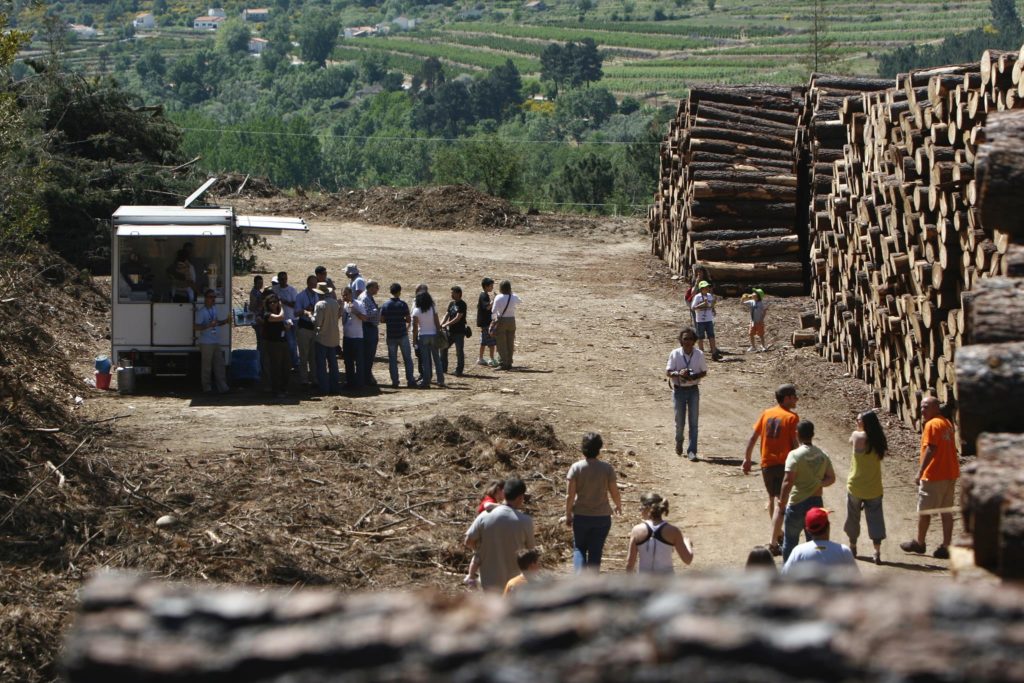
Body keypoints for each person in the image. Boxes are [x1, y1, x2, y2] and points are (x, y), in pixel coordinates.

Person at [744, 384, 801, 554]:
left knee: (772, 499)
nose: (796, 399)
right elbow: (795, 442)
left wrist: (747, 458)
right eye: (794, 396)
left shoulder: (766, 413)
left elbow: (754, 437)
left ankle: (778, 533)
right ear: (786, 398)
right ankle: (774, 541)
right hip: (785, 464)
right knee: (780, 502)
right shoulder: (792, 417)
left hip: (766, 463)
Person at [900, 396, 959, 560]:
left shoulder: (932, 425)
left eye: (926, 407)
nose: (922, 410)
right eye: (921, 407)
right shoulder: (946, 422)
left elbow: (931, 449)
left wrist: (920, 472)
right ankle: (946, 546)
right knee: (946, 512)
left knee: (925, 512)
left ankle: (919, 543)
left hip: (934, 475)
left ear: (936, 408)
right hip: (950, 473)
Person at [775, 420, 837, 562]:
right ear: (813, 434)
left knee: (790, 542)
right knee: (816, 543)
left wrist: (782, 501)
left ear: (797, 434)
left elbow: (787, 480)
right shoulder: (822, 455)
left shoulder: (794, 455)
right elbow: (831, 478)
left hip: (796, 503)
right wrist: (818, 483)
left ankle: (788, 573)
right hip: (816, 503)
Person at [464, 477, 536, 592]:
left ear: (504, 493)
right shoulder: (525, 521)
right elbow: (531, 552)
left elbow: (468, 541)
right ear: (520, 497)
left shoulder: (484, 516)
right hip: (514, 584)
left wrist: (480, 551)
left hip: (489, 583)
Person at [565, 432, 622, 573]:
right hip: (602, 518)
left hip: (581, 516)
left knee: (579, 548)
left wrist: (568, 514)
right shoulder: (607, 469)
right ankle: (592, 583)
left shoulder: (576, 468)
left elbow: (569, 495)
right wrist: (618, 505)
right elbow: (614, 491)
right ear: (599, 449)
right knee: (596, 552)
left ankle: (579, 580)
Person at [845, 410, 887, 564]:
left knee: (853, 517)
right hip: (874, 487)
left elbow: (851, 439)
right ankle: (876, 551)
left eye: (859, 419)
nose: (856, 421)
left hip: (855, 485)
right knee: (876, 519)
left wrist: (858, 430)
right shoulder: (879, 440)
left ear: (865, 423)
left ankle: (853, 545)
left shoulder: (857, 436)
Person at [665, 328, 707, 461]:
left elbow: (704, 372)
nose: (687, 341)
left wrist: (694, 376)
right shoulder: (675, 353)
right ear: (681, 341)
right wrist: (679, 373)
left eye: (690, 339)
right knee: (680, 422)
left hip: (693, 390)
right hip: (679, 390)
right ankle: (679, 441)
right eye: (685, 339)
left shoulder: (699, 354)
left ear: (694, 340)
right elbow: (668, 372)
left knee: (694, 423)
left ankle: (692, 451)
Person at [625, 492, 694, 574]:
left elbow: (629, 564)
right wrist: (687, 544)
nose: (640, 511)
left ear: (647, 508)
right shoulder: (673, 531)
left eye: (641, 508)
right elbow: (687, 560)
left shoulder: (637, 530)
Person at [781, 507, 858, 575]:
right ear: (828, 526)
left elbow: (783, 578)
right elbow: (857, 582)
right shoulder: (843, 551)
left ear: (808, 530)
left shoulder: (798, 552)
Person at [464, 480, 506, 588]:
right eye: (504, 491)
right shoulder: (489, 500)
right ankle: (470, 576)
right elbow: (487, 506)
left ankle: (473, 576)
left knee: (479, 556)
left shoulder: (492, 500)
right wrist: (503, 506)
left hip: (484, 532)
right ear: (498, 490)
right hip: (482, 533)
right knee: (478, 556)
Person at [379, 283, 416, 389]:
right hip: (402, 334)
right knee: (407, 358)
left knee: (392, 359)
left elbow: (382, 320)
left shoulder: (386, 305)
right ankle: (410, 380)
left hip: (391, 335)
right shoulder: (403, 304)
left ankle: (395, 381)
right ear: (399, 291)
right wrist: (402, 320)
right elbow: (408, 319)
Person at [193, 289, 229, 394]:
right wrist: (209, 325)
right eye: (210, 297)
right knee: (206, 366)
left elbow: (216, 323)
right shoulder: (201, 312)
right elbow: (196, 327)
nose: (213, 299)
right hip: (206, 342)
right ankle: (206, 388)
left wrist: (225, 322)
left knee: (220, 365)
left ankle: (223, 387)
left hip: (216, 341)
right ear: (205, 299)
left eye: (214, 297)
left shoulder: (214, 309)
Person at [412, 288, 445, 388]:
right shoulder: (433, 308)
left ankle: (426, 381)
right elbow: (437, 323)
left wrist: (414, 340)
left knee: (425, 361)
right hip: (433, 335)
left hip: (423, 336)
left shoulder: (416, 311)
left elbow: (415, 328)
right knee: (437, 360)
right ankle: (441, 380)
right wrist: (439, 332)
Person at [312, 283, 341, 395]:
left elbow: (317, 322)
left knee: (321, 365)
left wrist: (310, 316)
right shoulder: (334, 303)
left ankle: (324, 388)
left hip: (322, 338)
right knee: (333, 364)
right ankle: (335, 387)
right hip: (333, 337)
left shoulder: (320, 305)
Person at [261, 293, 290, 399]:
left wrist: (287, 327)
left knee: (286, 366)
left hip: (283, 341)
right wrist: (282, 307)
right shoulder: (267, 314)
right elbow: (280, 317)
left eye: (275, 302)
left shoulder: (278, 313)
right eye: (271, 302)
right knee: (276, 367)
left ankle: (284, 388)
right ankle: (276, 390)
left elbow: (282, 324)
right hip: (273, 344)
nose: (273, 304)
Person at [294, 275, 320, 387]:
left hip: (314, 328)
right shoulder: (300, 296)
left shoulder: (317, 295)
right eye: (312, 283)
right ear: (308, 284)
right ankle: (304, 379)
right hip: (304, 328)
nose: (314, 285)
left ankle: (314, 378)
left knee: (313, 356)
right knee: (304, 355)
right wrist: (305, 311)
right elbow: (296, 312)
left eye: (316, 284)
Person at [341, 286, 367, 391]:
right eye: (343, 295)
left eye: (346, 294)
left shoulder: (359, 304)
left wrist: (355, 312)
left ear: (351, 294)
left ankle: (360, 383)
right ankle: (350, 382)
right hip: (347, 337)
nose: (345, 297)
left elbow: (365, 318)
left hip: (357, 337)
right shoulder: (343, 306)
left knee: (359, 361)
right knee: (348, 361)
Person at [491, 280, 521, 370]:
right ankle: (509, 362)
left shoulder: (498, 297)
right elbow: (520, 301)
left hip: (502, 320)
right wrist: (511, 293)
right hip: (512, 320)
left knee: (501, 342)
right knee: (510, 342)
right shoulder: (513, 297)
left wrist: (493, 321)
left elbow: (493, 311)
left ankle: (504, 363)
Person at [272, 272, 299, 370]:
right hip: (281, 320)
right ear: (278, 280)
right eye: (281, 279)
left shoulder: (292, 290)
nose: (283, 281)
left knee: (292, 342)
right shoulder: (275, 289)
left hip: (292, 319)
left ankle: (295, 363)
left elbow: (296, 305)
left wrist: (284, 302)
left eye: (285, 279)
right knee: (287, 342)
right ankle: (290, 362)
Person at [440, 285, 468, 377]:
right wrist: (441, 324)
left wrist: (446, 324)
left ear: (458, 293)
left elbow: (458, 318)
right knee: (443, 348)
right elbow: (447, 314)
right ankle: (443, 368)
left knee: (459, 352)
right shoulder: (451, 303)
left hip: (459, 332)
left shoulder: (462, 304)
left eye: (453, 293)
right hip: (450, 332)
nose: (451, 294)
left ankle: (459, 370)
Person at [690, 280, 721, 360]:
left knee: (711, 335)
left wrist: (713, 308)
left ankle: (714, 352)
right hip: (700, 320)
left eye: (707, 287)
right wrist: (702, 304)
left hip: (708, 319)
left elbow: (711, 306)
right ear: (701, 289)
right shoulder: (697, 297)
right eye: (705, 287)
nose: (707, 289)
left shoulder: (710, 296)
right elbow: (693, 307)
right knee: (700, 337)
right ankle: (701, 353)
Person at [359, 280, 381, 386]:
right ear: (371, 287)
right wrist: (378, 310)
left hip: (369, 328)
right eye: (376, 287)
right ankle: (365, 377)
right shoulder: (365, 298)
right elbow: (366, 314)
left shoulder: (367, 297)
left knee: (368, 354)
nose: (378, 289)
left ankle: (366, 376)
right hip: (368, 328)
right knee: (368, 353)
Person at [477, 277, 498, 367]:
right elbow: (487, 307)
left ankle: (481, 358)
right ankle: (491, 359)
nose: (492, 288)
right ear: (486, 286)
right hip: (486, 323)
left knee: (483, 342)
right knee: (492, 342)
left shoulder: (484, 295)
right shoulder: (484, 296)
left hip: (483, 322)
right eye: (491, 286)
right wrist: (494, 299)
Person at [740, 288, 768, 353]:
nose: (752, 294)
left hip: (759, 321)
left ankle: (763, 346)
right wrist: (743, 298)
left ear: (758, 296)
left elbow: (764, 311)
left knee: (761, 334)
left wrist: (762, 319)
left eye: (754, 293)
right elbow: (742, 303)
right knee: (751, 334)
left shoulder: (761, 303)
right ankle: (753, 347)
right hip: (752, 321)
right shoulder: (751, 301)